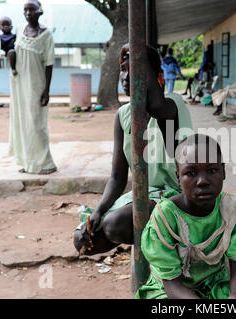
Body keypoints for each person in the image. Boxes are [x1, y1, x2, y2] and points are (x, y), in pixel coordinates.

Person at [73, 44, 193, 255]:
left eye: (136, 69)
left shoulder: (172, 105)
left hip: (178, 196)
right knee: (83, 240)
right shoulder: (122, 115)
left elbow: (154, 106)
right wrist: (98, 212)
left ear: (154, 75)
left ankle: (167, 258)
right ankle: (157, 250)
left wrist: (139, 52)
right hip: (145, 195)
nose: (127, 76)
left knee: (116, 224)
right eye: (124, 69)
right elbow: (117, 177)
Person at [136, 134, 236, 299]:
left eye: (212, 170)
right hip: (171, 292)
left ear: (223, 172)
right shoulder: (165, 217)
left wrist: (235, 297)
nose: (202, 181)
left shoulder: (232, 210)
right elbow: (172, 284)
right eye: (191, 172)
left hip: (213, 285)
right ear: (178, 178)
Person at [8, 0, 57, 175]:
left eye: (31, 9)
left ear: (40, 11)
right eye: (25, 10)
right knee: (22, 122)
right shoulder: (20, 29)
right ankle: (28, 162)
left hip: (37, 84)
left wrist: (47, 90)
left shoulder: (46, 35)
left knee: (37, 123)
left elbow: (49, 64)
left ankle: (46, 163)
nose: (28, 13)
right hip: (19, 83)